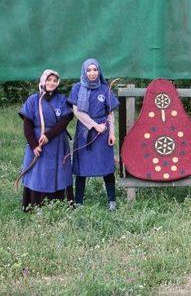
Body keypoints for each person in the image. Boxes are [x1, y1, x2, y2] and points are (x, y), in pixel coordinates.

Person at [18, 70, 74, 211]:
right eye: (49, 80)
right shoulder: (32, 100)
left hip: (57, 142)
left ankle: (60, 205)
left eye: (55, 80)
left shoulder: (62, 100)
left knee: (59, 173)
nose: (51, 83)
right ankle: (34, 205)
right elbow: (27, 125)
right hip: (38, 143)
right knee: (38, 173)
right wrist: (33, 145)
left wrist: (49, 135)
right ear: (43, 81)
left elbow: (65, 120)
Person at [68, 58, 119, 210]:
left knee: (107, 166)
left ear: (99, 71)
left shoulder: (105, 89)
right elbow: (77, 112)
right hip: (85, 132)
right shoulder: (77, 88)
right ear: (84, 71)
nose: (92, 73)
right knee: (81, 167)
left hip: (103, 133)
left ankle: (112, 201)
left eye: (95, 70)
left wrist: (112, 133)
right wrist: (94, 125)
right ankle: (79, 202)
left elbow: (110, 114)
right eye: (89, 70)